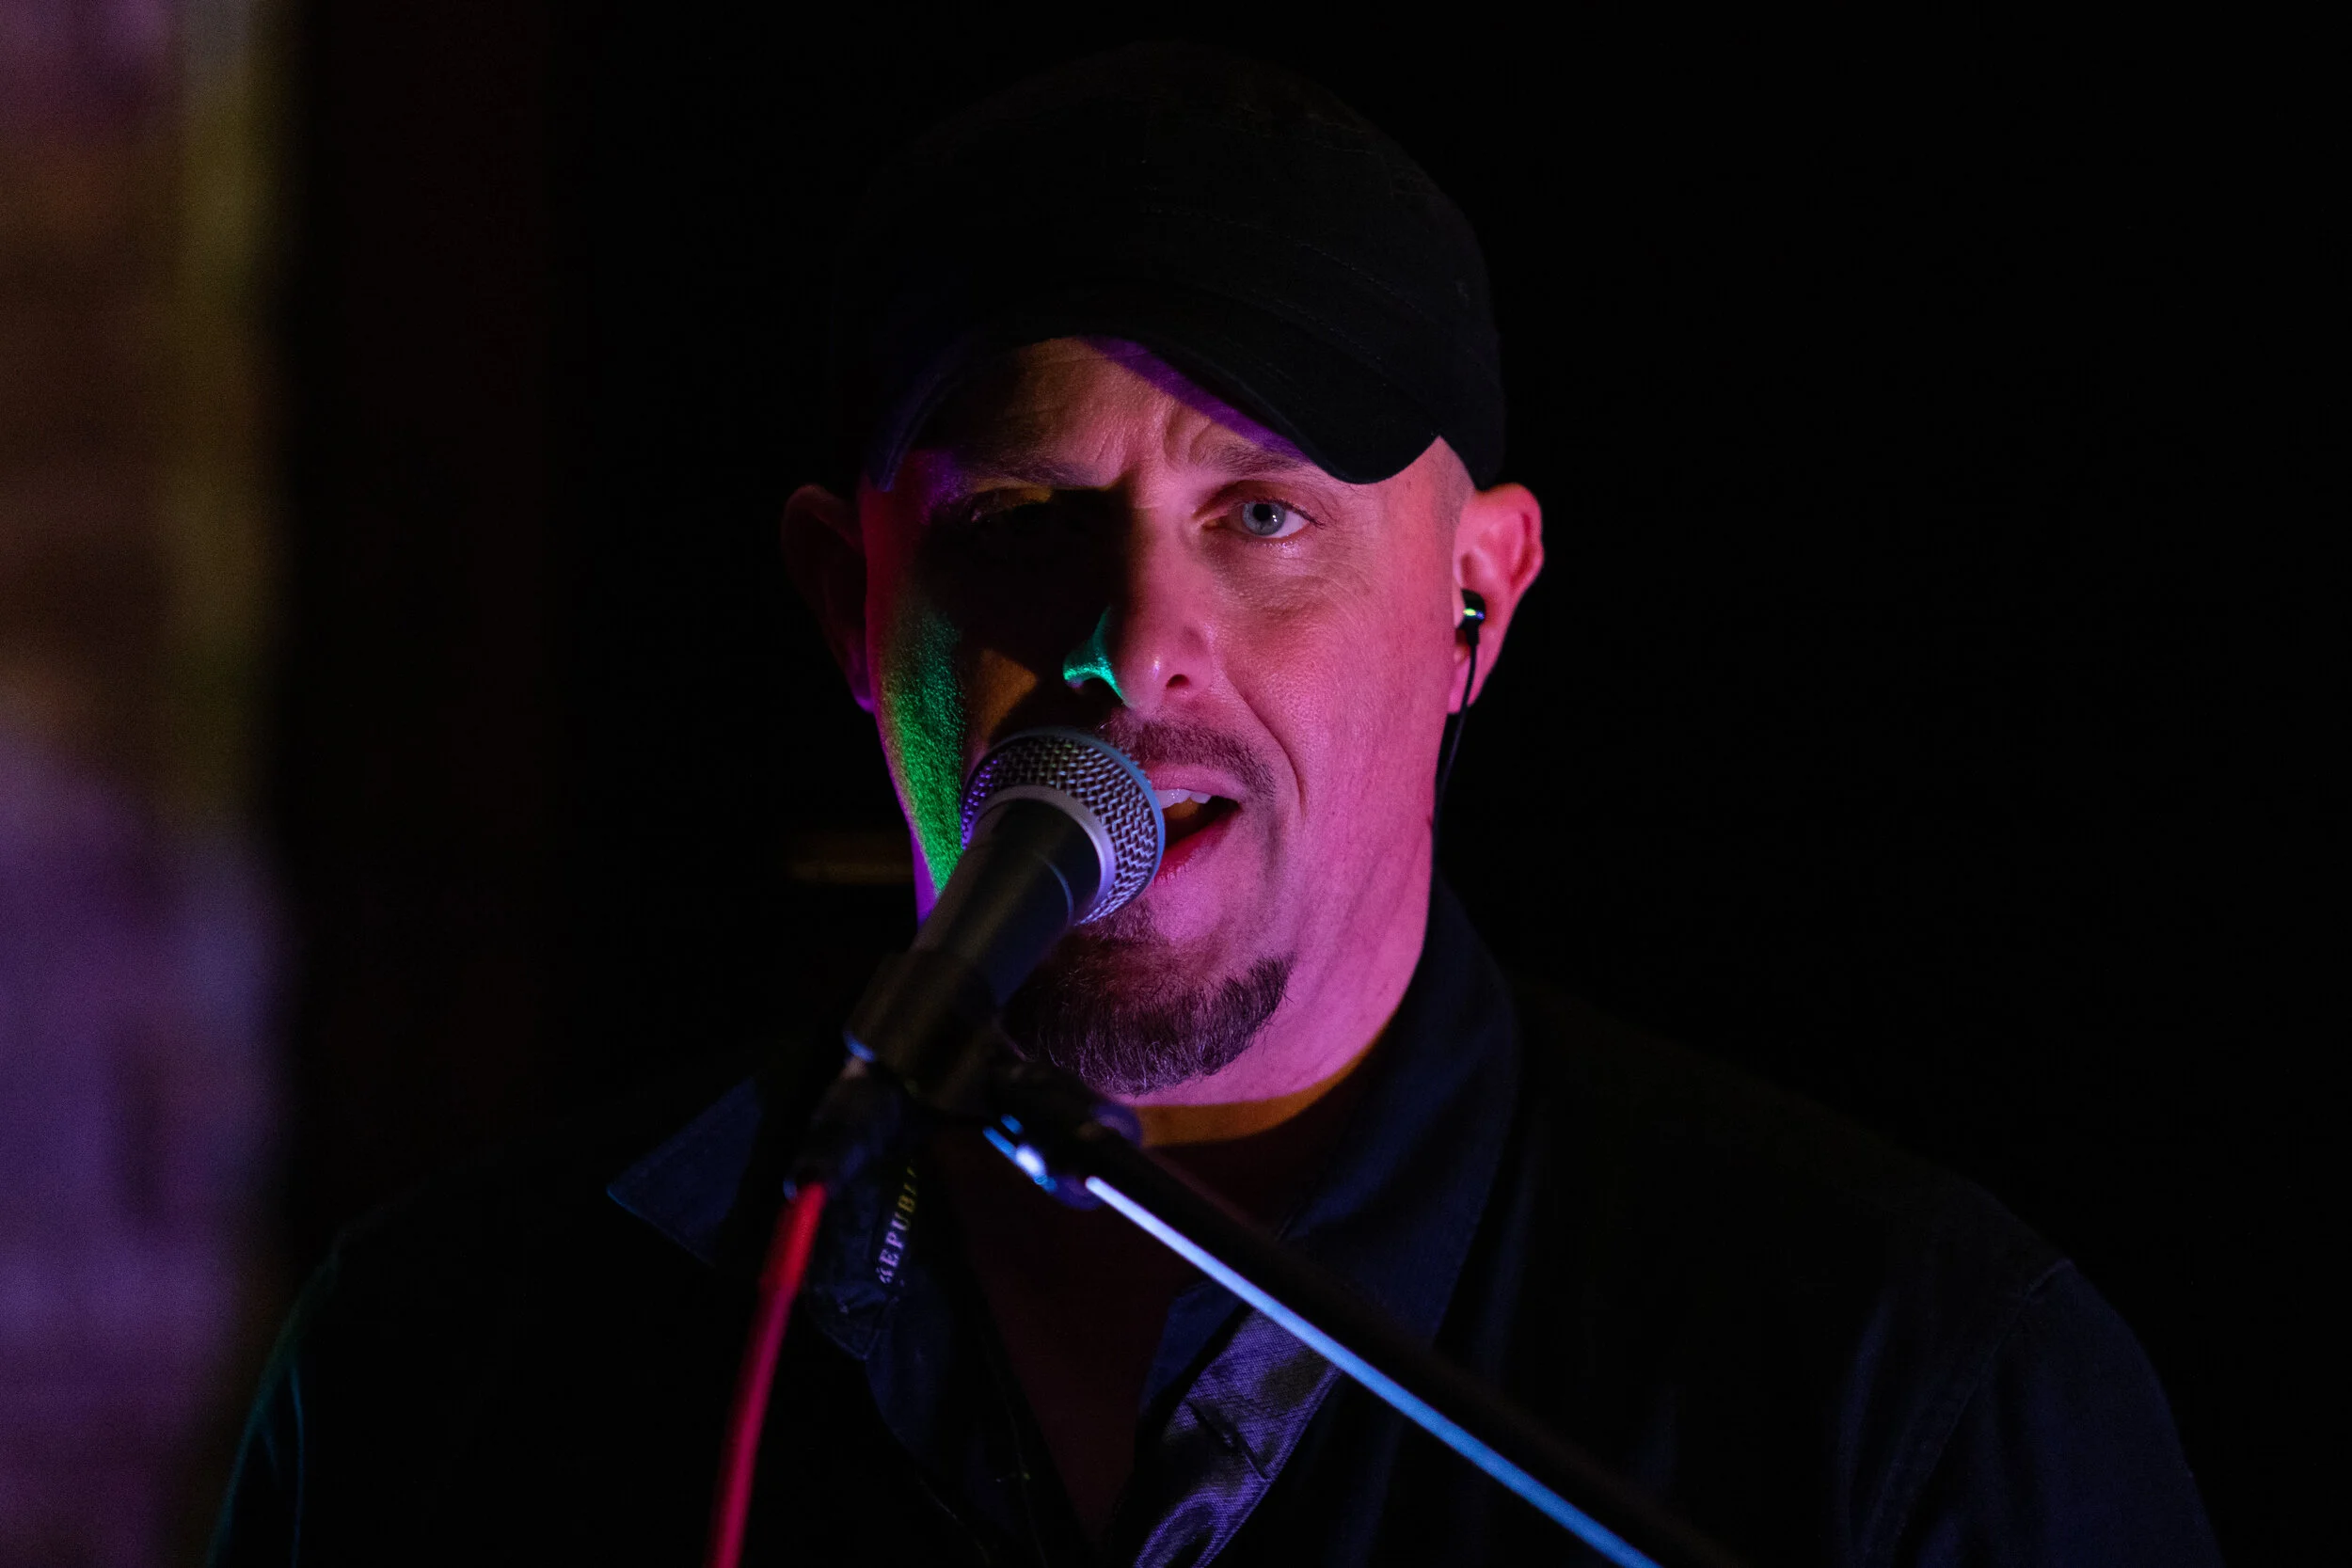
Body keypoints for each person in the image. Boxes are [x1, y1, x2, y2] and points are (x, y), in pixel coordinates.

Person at [212, 42, 2222, 1567]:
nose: (1136, 645)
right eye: (1023, 519)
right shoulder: (453, 1362)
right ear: (849, 604)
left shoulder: (1908, 1392)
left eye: (1263, 516)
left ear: (1476, 599)